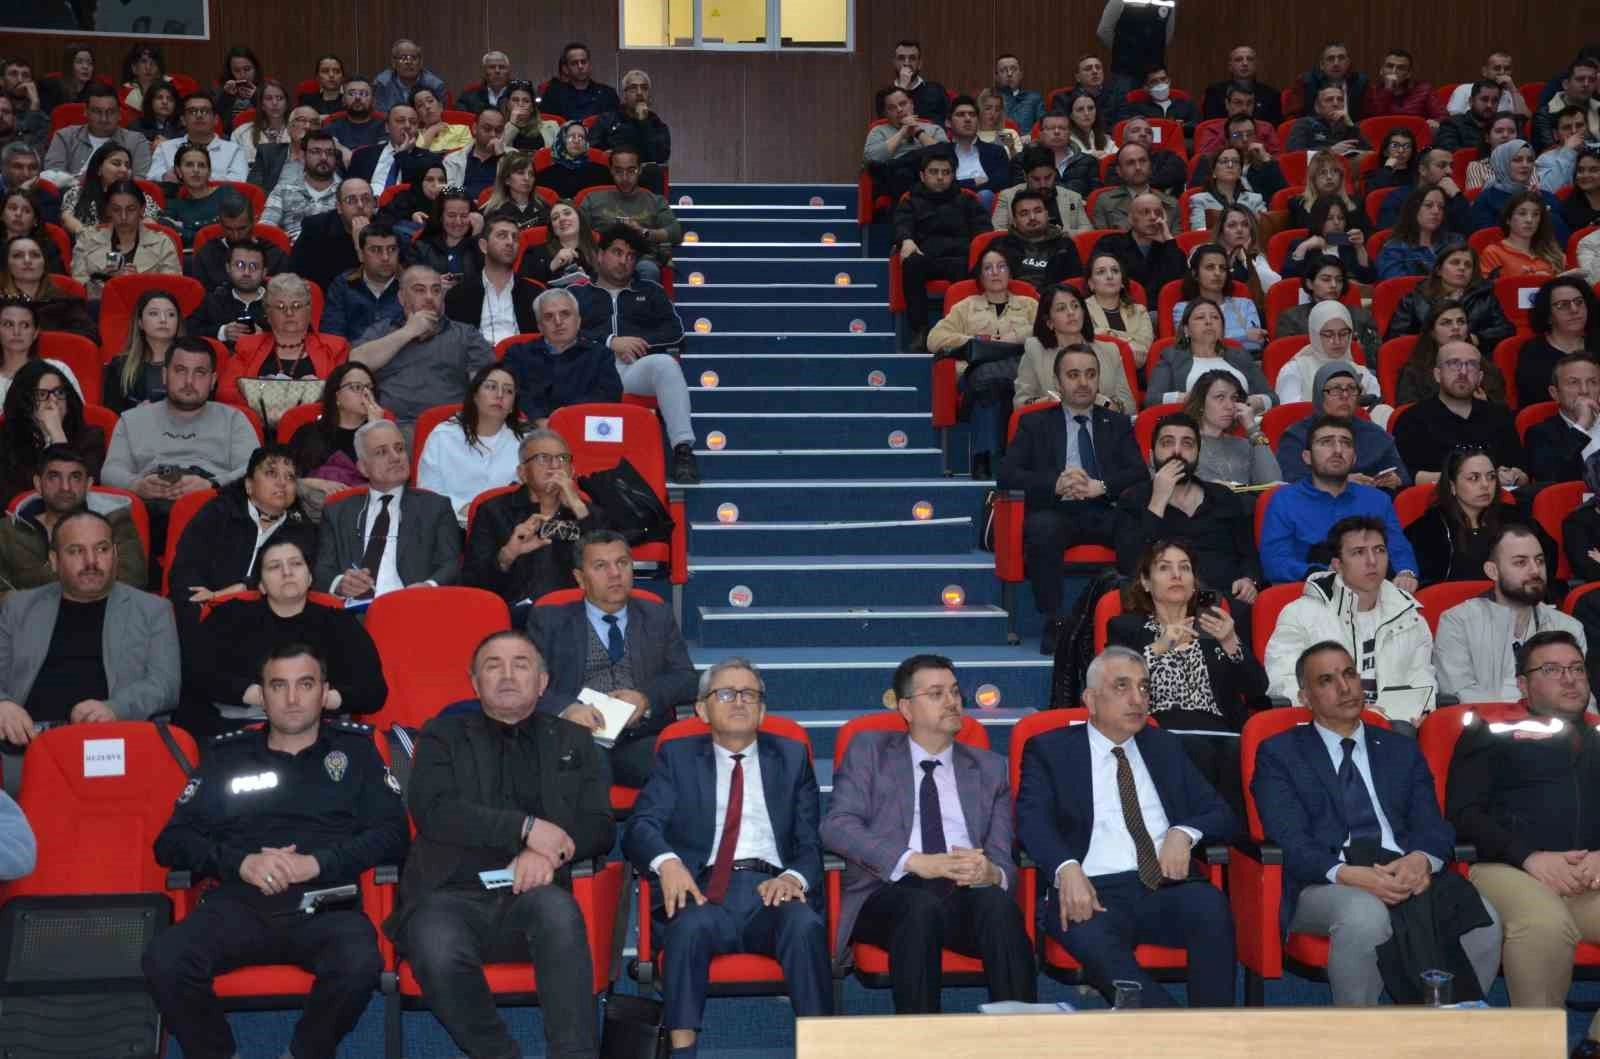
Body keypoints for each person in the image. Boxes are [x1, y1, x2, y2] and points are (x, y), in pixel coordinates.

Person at [383, 628, 611, 1057]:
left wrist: (548, 852)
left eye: (520, 665)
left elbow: (599, 825)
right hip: (450, 892)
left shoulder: (573, 740)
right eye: (493, 666)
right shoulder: (440, 735)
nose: (507, 675)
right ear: (475, 683)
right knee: (434, 943)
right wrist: (526, 828)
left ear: (543, 683)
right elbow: (434, 811)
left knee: (560, 915)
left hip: (535, 892)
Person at [1255, 640, 1500, 1005]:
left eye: (1349, 674)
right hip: (1323, 881)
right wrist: (1349, 875)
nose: (1345, 687)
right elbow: (1290, 840)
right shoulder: (1280, 753)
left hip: (1402, 867)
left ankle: (1453, 1024)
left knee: (1486, 920)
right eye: (1326, 680)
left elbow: (1432, 824)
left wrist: (1421, 860)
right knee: (1366, 915)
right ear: (1305, 698)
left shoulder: (1400, 748)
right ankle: (1361, 1031)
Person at [623, 656, 832, 1051]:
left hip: (771, 891)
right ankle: (682, 1050)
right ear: (702, 710)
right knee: (687, 928)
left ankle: (823, 1047)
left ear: (762, 711)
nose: (738, 701)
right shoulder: (678, 756)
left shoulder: (791, 758)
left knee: (804, 925)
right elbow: (640, 826)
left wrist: (792, 878)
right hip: (701, 890)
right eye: (725, 694)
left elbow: (810, 844)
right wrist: (668, 863)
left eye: (749, 694)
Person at [1017, 645, 1237, 1006]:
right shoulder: (1050, 750)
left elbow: (1220, 812)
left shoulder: (1164, 746)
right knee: (1095, 940)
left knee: (1210, 905)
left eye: (1144, 687)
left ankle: (1214, 1022)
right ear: (1090, 700)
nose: (1138, 699)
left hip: (1164, 885)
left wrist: (1183, 833)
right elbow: (1031, 821)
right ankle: (1184, 1031)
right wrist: (1065, 868)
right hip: (1091, 889)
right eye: (1122, 686)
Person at [821, 652, 1035, 1013]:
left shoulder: (990, 768)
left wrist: (992, 873)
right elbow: (837, 826)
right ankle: (921, 1037)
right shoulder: (869, 751)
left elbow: (1003, 858)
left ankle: (1021, 1032)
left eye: (954, 692)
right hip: (888, 892)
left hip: (963, 894)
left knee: (998, 906)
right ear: (906, 708)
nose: (951, 701)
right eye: (936, 694)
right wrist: (914, 861)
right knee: (918, 907)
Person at [1447, 629, 1600, 1053]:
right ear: (1523, 684)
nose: (1569, 679)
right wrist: (1530, 857)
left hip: (1587, 876)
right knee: (1544, 925)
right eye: (1552, 670)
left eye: (1576, 669)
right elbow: (1463, 815)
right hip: (1506, 867)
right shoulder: (1491, 732)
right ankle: (1535, 1048)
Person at [1000, 347, 1144, 654]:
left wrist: (1101, 486)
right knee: (1043, 529)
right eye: (1073, 375)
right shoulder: (1034, 423)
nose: (1083, 383)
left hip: (1104, 507)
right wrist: (1055, 483)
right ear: (1058, 382)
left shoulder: (1117, 423)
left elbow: (1138, 474)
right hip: (1057, 509)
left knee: (1135, 526)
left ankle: (1131, 617)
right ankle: (1055, 619)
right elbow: (1008, 475)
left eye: (1090, 375)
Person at [1108, 539, 1265, 814]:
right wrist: (1159, 648)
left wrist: (1230, 641)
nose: (1177, 575)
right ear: (1146, 582)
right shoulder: (1126, 628)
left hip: (1221, 735)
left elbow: (1257, 690)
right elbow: (1115, 686)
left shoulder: (1215, 628)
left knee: (1238, 753)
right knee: (1197, 751)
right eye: (1164, 568)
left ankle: (1224, 832)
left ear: (1194, 582)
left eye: (1184, 568)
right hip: (1159, 733)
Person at [0, 509, 179, 742]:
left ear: (115, 554)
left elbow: (165, 685)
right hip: (27, 742)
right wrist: (3, 704)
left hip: (113, 743)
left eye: (102, 549)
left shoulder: (153, 610)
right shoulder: (18, 607)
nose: (91, 561)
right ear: (54, 561)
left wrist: (115, 709)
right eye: (76, 551)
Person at [181, 540, 386, 736]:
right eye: (274, 566)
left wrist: (322, 698)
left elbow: (373, 691)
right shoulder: (228, 616)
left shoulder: (340, 623)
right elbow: (195, 672)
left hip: (320, 731)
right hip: (240, 727)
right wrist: (254, 694)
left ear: (309, 578)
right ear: (261, 585)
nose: (287, 572)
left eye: (296, 564)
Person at [571, 227, 698, 483]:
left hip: (634, 369)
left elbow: (675, 332)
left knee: (665, 364)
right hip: (588, 371)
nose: (624, 261)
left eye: (630, 256)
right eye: (617, 253)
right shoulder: (577, 294)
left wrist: (636, 343)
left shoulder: (650, 291)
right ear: (600, 255)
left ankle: (683, 450)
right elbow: (564, 331)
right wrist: (610, 341)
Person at [1263, 515, 1433, 703]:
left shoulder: (1409, 615)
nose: (1372, 561)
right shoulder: (1300, 614)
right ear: (1338, 565)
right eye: (1359, 552)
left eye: (1379, 550)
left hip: (1396, 718)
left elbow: (1422, 681)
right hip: (1327, 717)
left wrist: (1421, 709)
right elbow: (1283, 682)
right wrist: (1340, 710)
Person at [165, 444, 318, 631]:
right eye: (271, 473)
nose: (282, 482)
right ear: (249, 485)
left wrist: (244, 588)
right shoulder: (218, 512)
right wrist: (207, 606)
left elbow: (297, 585)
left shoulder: (302, 530)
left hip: (268, 626)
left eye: (290, 477)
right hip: (203, 617)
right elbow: (185, 573)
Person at [1259, 416, 1420, 589]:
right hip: (1311, 591)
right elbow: (1275, 561)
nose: (1337, 450)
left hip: (1375, 591)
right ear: (1307, 457)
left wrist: (1406, 573)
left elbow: (1398, 548)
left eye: (1345, 443)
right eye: (1326, 442)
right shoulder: (1284, 500)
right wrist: (1322, 573)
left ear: (1354, 458)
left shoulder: (1378, 499)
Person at [1434, 524, 1588, 703]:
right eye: (1520, 562)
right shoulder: (1457, 622)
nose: (1535, 570)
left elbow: (1579, 698)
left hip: (1554, 719)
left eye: (1539, 561)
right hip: (1484, 720)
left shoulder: (1568, 627)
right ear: (1493, 571)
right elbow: (1458, 694)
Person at [461, 427, 603, 612]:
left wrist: (578, 506)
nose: (555, 465)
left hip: (575, 613)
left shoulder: (588, 513)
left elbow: (607, 565)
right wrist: (506, 556)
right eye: (543, 458)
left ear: (572, 471)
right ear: (522, 473)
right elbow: (472, 582)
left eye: (563, 458)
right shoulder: (493, 511)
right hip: (515, 613)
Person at [927, 247, 1037, 474]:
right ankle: (1005, 459)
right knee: (988, 380)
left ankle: (983, 457)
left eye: (1001, 267)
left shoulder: (1029, 305)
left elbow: (1048, 330)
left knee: (989, 385)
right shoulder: (965, 307)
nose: (995, 272)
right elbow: (934, 339)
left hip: (1018, 374)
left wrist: (1015, 336)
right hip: (975, 376)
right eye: (988, 268)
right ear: (980, 275)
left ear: (1010, 272)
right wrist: (979, 342)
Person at [350, 266, 495, 430]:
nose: (429, 297)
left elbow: (488, 385)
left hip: (450, 428)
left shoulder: (466, 335)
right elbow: (355, 362)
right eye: (419, 290)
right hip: (393, 429)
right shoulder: (382, 331)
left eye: (436, 290)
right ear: (402, 298)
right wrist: (409, 331)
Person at [0, 445, 142, 600]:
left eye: (75, 477)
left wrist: (35, 585)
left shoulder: (114, 521)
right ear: (38, 484)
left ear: (88, 484)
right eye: (54, 477)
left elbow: (132, 582)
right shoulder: (8, 531)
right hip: (27, 616)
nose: (65, 487)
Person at [894, 149, 993, 350]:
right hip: (926, 257)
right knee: (911, 263)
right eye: (934, 172)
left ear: (953, 175)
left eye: (946, 172)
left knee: (974, 265)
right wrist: (906, 239)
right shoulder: (910, 200)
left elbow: (983, 230)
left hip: (960, 258)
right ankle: (921, 331)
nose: (940, 177)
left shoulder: (966, 199)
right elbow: (901, 224)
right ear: (922, 175)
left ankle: (962, 329)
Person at [1394, 341, 1526, 486]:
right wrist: (1472, 478)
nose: (1463, 372)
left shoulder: (1500, 415)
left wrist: (1514, 476)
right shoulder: (1412, 419)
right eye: (1454, 363)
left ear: (1480, 377)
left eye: (1471, 365)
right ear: (1437, 374)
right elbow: (1407, 477)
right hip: (1439, 496)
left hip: (1497, 496)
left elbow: (1523, 473)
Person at [1405, 447, 1537, 586]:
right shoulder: (1429, 527)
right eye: (1474, 478)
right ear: (1452, 486)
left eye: (1491, 477)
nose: (1485, 485)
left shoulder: (1516, 519)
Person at [417, 363, 526, 526]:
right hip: (450, 522)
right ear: (475, 395)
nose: (500, 395)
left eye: (508, 391)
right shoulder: (443, 435)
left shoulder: (525, 441)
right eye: (491, 387)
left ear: (512, 406)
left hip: (505, 526)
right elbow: (428, 491)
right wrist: (465, 508)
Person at [217, 272, 345, 409]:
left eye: (296, 306)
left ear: (309, 310)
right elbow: (224, 393)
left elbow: (343, 395)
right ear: (267, 313)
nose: (289, 313)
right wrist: (269, 400)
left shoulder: (335, 348)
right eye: (280, 307)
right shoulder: (247, 347)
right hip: (258, 421)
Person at [501, 287, 622, 427]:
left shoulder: (600, 355)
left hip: (582, 426)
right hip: (531, 428)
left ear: (578, 321)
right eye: (548, 317)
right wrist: (538, 419)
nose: (558, 322)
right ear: (539, 326)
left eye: (565, 314)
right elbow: (511, 391)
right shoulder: (518, 354)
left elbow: (610, 394)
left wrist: (566, 415)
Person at [1278, 363, 1409, 489]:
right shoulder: (1297, 436)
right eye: (1335, 389)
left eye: (1352, 389)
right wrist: (1339, 482)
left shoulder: (1375, 433)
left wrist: (1396, 479)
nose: (1345, 395)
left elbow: (1403, 475)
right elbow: (1292, 479)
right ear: (1319, 395)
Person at [1016, 284, 1133, 414]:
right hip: (1054, 421)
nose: (1071, 313)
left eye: (1075, 306)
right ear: (1049, 322)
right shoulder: (1035, 350)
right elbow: (1020, 404)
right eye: (1061, 309)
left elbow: (1129, 406)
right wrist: (1048, 402)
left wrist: (1105, 403)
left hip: (1103, 421)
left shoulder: (1110, 350)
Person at [286, 364, 388, 507]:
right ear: (337, 396)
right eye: (356, 387)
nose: (366, 394)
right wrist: (316, 483)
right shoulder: (308, 433)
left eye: (369, 388)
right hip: (311, 507)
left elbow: (389, 481)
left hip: (365, 508)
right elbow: (284, 478)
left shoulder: (383, 431)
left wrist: (376, 428)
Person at [578, 146, 682, 284]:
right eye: (618, 171)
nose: (625, 178)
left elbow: (676, 232)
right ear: (611, 170)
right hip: (602, 258)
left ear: (640, 170)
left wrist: (644, 232)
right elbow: (578, 230)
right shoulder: (592, 199)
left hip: (641, 259)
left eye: (631, 170)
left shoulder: (655, 201)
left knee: (648, 269)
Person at [1145, 299, 1275, 410]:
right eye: (1200, 317)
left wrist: (1255, 402)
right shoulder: (1171, 357)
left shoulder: (1240, 356)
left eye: (1215, 317)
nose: (1209, 321)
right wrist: (1188, 398)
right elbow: (1152, 400)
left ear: (1222, 329)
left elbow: (1273, 398)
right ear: (1186, 330)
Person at [69, 180, 181, 299]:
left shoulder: (162, 243)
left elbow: (173, 289)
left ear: (142, 209)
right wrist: (104, 280)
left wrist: (140, 283)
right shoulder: (87, 240)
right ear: (108, 210)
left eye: (131, 209)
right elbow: (78, 289)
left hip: (147, 308)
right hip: (99, 307)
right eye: (116, 210)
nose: (123, 217)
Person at [1385, 246, 1515, 347]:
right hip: (1427, 360)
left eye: (1468, 265)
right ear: (1439, 270)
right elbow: (1395, 338)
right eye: (1455, 262)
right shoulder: (1414, 299)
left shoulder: (1484, 296)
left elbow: (1506, 330)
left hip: (1473, 358)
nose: (1462, 268)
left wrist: (1478, 338)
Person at [445, 216, 539, 345]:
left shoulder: (535, 294)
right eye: (502, 236)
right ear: (484, 246)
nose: (510, 242)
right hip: (478, 356)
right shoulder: (458, 294)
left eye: (515, 237)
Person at [1396, 303, 1510, 407]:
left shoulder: (1487, 370)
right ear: (1432, 332)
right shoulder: (1414, 372)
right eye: (1446, 323)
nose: (1456, 327)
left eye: (1461, 322)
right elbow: (1407, 414)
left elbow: (1503, 413)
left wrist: (1487, 406)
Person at [1181, 369, 1279, 488]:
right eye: (1220, 397)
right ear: (1201, 403)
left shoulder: (1247, 445)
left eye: (1233, 398)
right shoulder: (1184, 444)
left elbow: (1273, 484)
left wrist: (1253, 429)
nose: (1229, 406)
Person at [39, 84, 151, 187]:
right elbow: (52, 176)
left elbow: (141, 181)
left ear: (119, 114)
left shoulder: (136, 141)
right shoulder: (65, 137)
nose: (104, 119)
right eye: (97, 111)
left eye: (111, 112)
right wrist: (79, 182)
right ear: (85, 112)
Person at [1518, 279, 1600, 413]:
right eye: (1563, 305)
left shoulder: (1597, 341)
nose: (1574, 309)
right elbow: (1534, 404)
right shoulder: (1533, 352)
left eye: (1579, 302)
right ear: (1548, 315)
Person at [1275, 302, 1381, 404]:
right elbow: (1290, 410)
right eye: (1328, 335)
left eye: (1343, 334)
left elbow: (1374, 407)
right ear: (1315, 335)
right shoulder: (1295, 370)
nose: (1337, 341)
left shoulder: (1362, 373)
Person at [1092, 194, 1185, 310]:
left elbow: (1179, 286)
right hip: (1121, 309)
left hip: (1161, 311)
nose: (1153, 217)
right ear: (1131, 219)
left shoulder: (1169, 248)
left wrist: (1168, 240)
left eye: (1158, 213)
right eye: (1145, 212)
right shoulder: (1109, 244)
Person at [187, 189, 288, 295]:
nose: (235, 236)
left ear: (253, 221)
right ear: (220, 224)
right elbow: (200, 296)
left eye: (242, 228)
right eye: (228, 229)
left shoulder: (274, 255)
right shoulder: (207, 254)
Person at [1172, 243, 1266, 355]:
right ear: (1195, 274)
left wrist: (1214, 338)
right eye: (1210, 267)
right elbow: (1190, 342)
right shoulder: (1183, 308)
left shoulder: (1245, 304)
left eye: (1222, 268)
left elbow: (1255, 343)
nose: (1218, 273)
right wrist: (1244, 336)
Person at [1470, 140, 1571, 243]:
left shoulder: (1543, 196)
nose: (1525, 165)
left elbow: (1565, 235)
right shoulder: (1487, 198)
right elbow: (1486, 239)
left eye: (1530, 160)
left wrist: (1540, 205)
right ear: (1503, 163)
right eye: (1517, 160)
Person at [287, 177, 375, 293]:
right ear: (339, 207)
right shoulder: (316, 229)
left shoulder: (385, 229)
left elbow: (381, 280)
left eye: (366, 199)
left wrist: (362, 246)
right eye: (351, 200)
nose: (360, 205)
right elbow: (294, 276)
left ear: (374, 204)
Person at [58, 142, 159, 239]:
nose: (124, 170)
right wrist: (87, 235)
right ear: (99, 169)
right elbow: (67, 218)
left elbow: (150, 223)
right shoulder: (78, 193)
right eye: (116, 164)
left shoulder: (139, 195)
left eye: (127, 166)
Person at [321, 223, 401, 344]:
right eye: (375, 250)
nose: (385, 257)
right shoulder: (343, 284)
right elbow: (332, 336)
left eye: (392, 249)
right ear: (361, 255)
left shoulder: (413, 284)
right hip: (353, 353)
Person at [1527, 354, 1600, 484]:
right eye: (1574, 382)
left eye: (1592, 382)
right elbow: (1549, 477)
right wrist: (1581, 426)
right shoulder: (1540, 433)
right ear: (1555, 393)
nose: (1584, 390)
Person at [103, 289, 180, 412]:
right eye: (154, 313)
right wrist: (135, 414)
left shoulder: (195, 362)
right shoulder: (119, 366)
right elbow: (110, 414)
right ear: (140, 323)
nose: (163, 319)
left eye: (171, 314)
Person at [346, 105, 443, 201]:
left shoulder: (430, 159)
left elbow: (432, 193)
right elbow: (348, 190)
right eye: (400, 121)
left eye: (413, 122)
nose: (407, 126)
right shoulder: (363, 155)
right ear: (387, 127)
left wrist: (402, 155)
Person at [591, 70, 672, 183]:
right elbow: (592, 148)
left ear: (649, 95)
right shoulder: (607, 119)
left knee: (653, 172)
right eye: (633, 88)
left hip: (643, 176)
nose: (639, 93)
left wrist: (643, 122)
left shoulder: (657, 124)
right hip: (612, 173)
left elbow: (660, 157)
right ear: (624, 95)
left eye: (644, 88)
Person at [0, 235, 91, 337]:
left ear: (44, 264)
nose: (27, 260)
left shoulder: (67, 304)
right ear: (7, 265)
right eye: (18, 255)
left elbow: (89, 336)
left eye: (35, 255)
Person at [997, 192, 1086, 294]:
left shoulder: (1065, 245)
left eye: (1038, 211)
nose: (1032, 217)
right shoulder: (1001, 245)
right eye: (1024, 214)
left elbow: (1074, 284)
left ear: (1047, 215)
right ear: (1014, 221)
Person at [145, 95, 246, 184]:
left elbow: (239, 183)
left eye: (205, 111)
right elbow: (151, 179)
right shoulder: (165, 148)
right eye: (192, 111)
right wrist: (164, 177)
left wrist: (189, 179)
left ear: (216, 119)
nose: (199, 115)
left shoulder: (234, 150)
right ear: (183, 120)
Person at [186, 239, 267, 348]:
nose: (246, 273)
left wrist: (265, 338)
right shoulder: (213, 300)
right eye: (239, 265)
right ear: (228, 268)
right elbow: (190, 330)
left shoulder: (277, 302)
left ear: (264, 272)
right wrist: (222, 332)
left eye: (254, 266)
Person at [261, 127, 339, 241]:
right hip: (291, 248)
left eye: (329, 152)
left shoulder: (346, 192)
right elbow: (266, 227)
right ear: (303, 155)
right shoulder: (284, 189)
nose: (324, 157)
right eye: (316, 151)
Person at [990, 146, 1091, 233]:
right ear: (1025, 176)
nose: (1043, 184)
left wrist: (1060, 234)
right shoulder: (1007, 197)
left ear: (1055, 173)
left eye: (1048, 178)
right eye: (1036, 179)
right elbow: (997, 231)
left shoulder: (1073, 197)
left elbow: (1088, 231)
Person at [1375, 147, 1474, 234]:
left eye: (1451, 166)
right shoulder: (1399, 197)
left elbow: (1469, 231)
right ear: (1423, 170)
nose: (1449, 171)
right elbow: (1388, 233)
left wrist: (1457, 195)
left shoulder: (1453, 198)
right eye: (1441, 165)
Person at [0, 300, 81, 405]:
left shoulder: (58, 370)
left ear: (35, 333)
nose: (16, 332)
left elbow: (77, 413)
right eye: (8, 324)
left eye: (25, 325)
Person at [1083, 251, 1154, 369]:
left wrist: (1108, 335)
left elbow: (1142, 354)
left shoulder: (1139, 311)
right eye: (1101, 272)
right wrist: (1129, 341)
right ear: (1091, 284)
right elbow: (1088, 351)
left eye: (1115, 271)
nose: (1110, 276)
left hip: (1134, 373)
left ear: (1122, 282)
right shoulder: (1081, 311)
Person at [1377, 186, 1465, 280]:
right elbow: (1399, 285)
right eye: (1428, 205)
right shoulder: (1394, 249)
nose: (1436, 211)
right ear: (1414, 209)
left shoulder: (1455, 241)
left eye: (1441, 207)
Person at [1285, 196, 1374, 285]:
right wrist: (1303, 247)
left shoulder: (1349, 245)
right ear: (1318, 220)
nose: (1337, 222)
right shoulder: (1301, 245)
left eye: (1341, 218)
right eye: (1329, 218)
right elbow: (1288, 279)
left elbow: (1369, 278)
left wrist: (1360, 248)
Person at [1479, 190, 1566, 279]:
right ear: (1508, 219)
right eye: (1522, 214)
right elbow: (1488, 287)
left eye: (1535, 214)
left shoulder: (1552, 252)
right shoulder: (1493, 253)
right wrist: (1526, 281)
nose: (1529, 220)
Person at [1092, 143, 1177, 232]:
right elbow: (1102, 238)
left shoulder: (1171, 204)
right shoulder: (1104, 202)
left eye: (1142, 161)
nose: (1138, 167)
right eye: (1130, 163)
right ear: (1119, 171)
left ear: (1151, 166)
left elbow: (1177, 240)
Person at [945, 96, 1011, 208]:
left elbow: (1002, 184)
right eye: (960, 115)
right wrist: (973, 182)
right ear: (948, 123)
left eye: (972, 115)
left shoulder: (996, 152)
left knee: (985, 195)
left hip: (984, 206)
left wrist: (958, 185)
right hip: (949, 206)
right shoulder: (939, 152)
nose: (968, 119)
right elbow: (938, 185)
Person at [159, 141, 225, 249]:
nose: (196, 170)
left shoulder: (225, 193)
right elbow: (166, 231)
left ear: (209, 171)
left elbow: (234, 231)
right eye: (189, 165)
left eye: (202, 165)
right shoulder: (174, 205)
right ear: (178, 171)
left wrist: (184, 228)